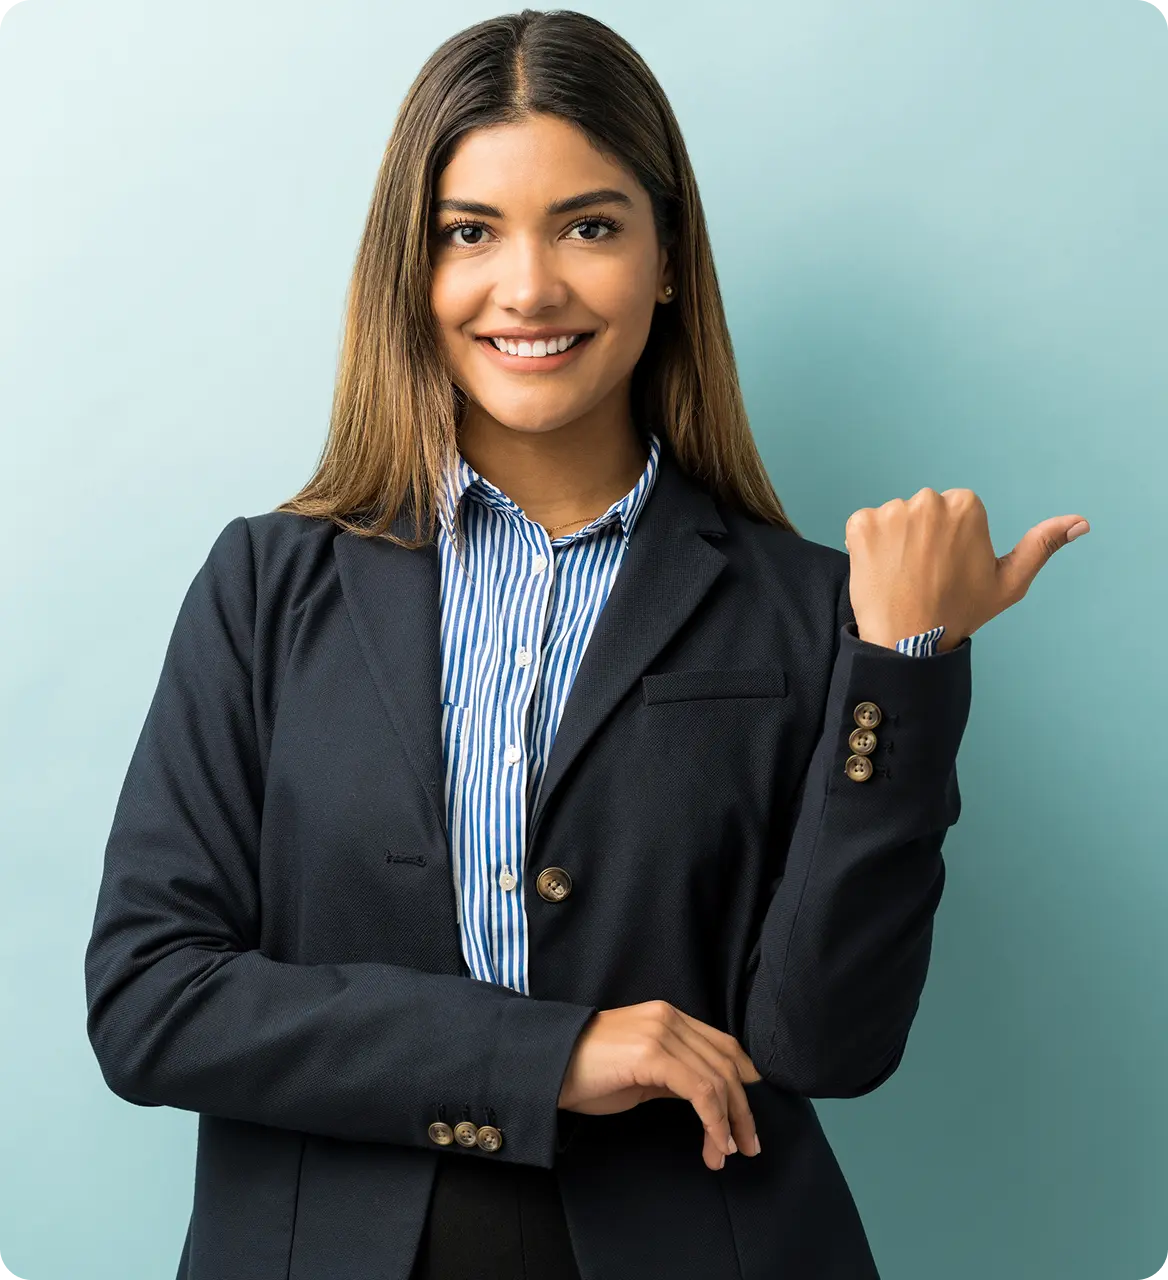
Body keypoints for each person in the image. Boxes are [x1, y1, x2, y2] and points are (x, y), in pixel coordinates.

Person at [83, 10, 1090, 1279]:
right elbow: (149, 999)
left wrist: (905, 665)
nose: (530, 287)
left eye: (590, 224)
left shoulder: (805, 605)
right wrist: (547, 1054)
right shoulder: (268, 583)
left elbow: (829, 1041)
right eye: (470, 231)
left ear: (666, 258)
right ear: (414, 266)